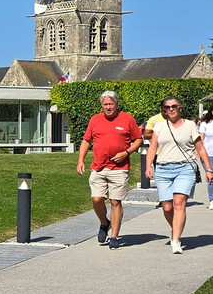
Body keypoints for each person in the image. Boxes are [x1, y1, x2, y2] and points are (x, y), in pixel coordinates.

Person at [76, 90, 143, 250]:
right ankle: (104, 223)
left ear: (116, 104)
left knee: (115, 201)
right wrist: (80, 160)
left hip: (119, 168)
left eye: (110, 104)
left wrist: (126, 152)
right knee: (97, 199)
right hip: (99, 167)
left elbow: (138, 139)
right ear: (102, 105)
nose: (108, 107)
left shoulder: (127, 119)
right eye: (105, 104)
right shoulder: (95, 120)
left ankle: (114, 236)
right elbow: (86, 141)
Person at [145, 96, 213, 254]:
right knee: (167, 207)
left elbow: (200, 148)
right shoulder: (160, 127)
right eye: (167, 107)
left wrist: (209, 169)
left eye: (174, 106)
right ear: (164, 110)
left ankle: (176, 240)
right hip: (163, 169)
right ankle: (176, 228)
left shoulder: (190, 125)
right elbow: (152, 149)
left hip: (185, 168)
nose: (171, 109)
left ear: (180, 107)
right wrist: (148, 166)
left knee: (178, 202)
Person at [201, 108, 213, 209]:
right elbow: (201, 139)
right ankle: (212, 200)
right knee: (211, 177)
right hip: (209, 154)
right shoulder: (205, 124)